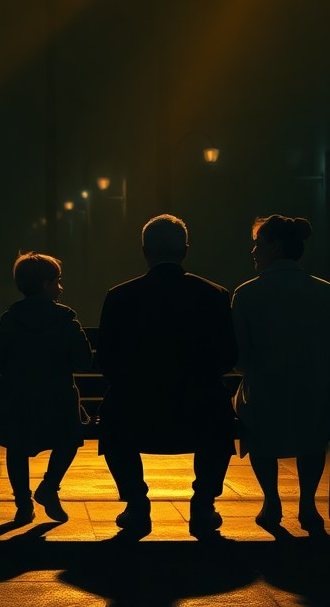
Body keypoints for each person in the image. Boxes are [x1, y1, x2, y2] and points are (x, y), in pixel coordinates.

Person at [95, 214, 237, 538]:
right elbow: (228, 356)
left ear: (144, 251)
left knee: (112, 415)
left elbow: (106, 358)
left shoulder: (119, 296)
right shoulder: (214, 294)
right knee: (219, 413)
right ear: (185, 250)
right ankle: (203, 504)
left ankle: (136, 503)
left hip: (136, 409)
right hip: (199, 408)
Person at [231, 214, 330, 535]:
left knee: (253, 418)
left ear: (275, 247)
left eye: (258, 244)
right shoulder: (325, 291)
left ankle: (271, 501)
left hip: (265, 393)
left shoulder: (246, 293)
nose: (253, 251)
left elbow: (240, 358)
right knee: (313, 433)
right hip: (315, 391)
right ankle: (308, 504)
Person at [0, 252, 94, 525]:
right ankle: (49, 486)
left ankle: (23, 503)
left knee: (16, 446)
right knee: (71, 438)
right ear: (47, 285)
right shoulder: (65, 319)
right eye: (58, 281)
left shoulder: (11, 319)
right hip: (58, 401)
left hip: (16, 400)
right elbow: (84, 362)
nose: (61, 287)